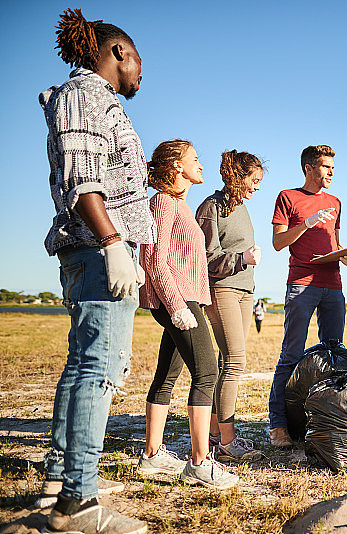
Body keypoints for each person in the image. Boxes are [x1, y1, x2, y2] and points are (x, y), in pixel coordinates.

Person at [38, 9, 153, 533]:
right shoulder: (84, 95)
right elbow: (84, 179)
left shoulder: (95, 100)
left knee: (83, 364)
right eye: (138, 62)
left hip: (96, 250)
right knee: (98, 370)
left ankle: (58, 482)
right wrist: (113, 243)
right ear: (117, 54)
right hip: (95, 250)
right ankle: (78, 502)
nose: (141, 75)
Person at [138, 140, 238, 489]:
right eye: (194, 159)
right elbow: (153, 259)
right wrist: (177, 305)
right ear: (177, 167)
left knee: (167, 373)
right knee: (208, 372)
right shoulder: (163, 203)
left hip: (187, 299)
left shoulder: (178, 204)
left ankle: (151, 455)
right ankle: (200, 462)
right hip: (178, 300)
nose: (201, 164)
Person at [268, 145, 347, 447]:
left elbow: (335, 241)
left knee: (334, 353)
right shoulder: (287, 197)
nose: (331, 172)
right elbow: (278, 243)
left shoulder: (336, 201)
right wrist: (305, 224)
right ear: (309, 168)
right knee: (291, 355)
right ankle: (278, 426)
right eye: (325, 167)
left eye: (333, 167)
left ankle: (325, 423)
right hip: (301, 283)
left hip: (333, 284)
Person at [196, 149, 264, 461]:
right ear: (238, 177)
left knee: (228, 363)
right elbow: (206, 257)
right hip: (222, 289)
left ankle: (213, 435)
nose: (258, 187)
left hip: (244, 292)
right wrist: (243, 258)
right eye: (255, 180)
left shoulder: (243, 210)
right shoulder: (212, 206)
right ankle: (228, 441)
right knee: (236, 361)